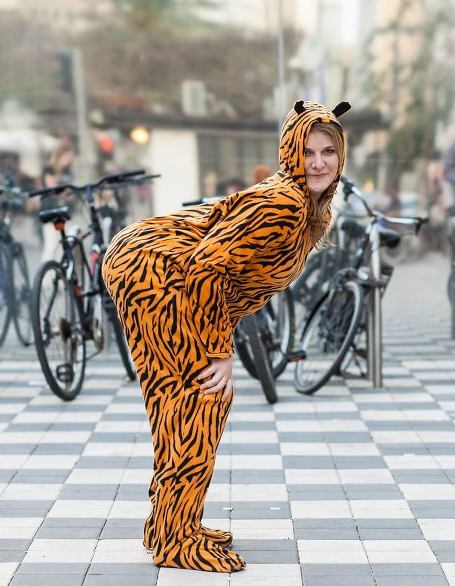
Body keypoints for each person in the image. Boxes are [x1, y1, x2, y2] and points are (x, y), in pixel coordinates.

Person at [101, 100, 351, 573]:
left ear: (341, 157)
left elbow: (234, 277)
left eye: (328, 152)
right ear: (289, 151)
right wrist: (219, 350)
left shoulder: (305, 205)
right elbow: (208, 267)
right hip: (157, 271)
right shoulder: (285, 204)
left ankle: (171, 525)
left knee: (179, 402)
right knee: (200, 401)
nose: (317, 162)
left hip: (148, 265)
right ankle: (177, 540)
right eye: (307, 151)